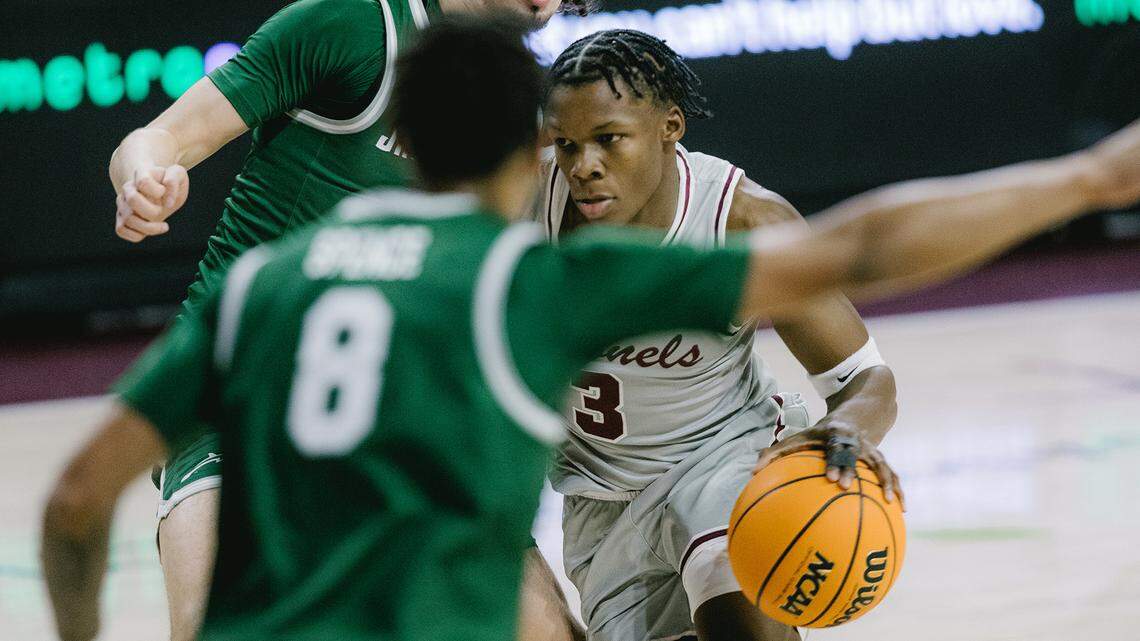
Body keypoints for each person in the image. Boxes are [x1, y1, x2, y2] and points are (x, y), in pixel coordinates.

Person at [48, 11, 1140, 641]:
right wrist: (1087, 174)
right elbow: (862, 245)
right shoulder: (515, 274)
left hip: (648, 469)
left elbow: (78, 496)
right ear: (521, 156)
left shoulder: (264, 299)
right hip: (470, 493)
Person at [106, 1, 586, 638]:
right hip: (243, 390)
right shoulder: (353, 22)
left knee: (547, 630)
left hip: (397, 404)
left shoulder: (514, 87)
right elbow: (159, 138)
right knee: (211, 624)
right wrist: (143, 178)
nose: (553, 2)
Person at [538, 30, 896, 640]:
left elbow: (865, 378)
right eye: (566, 144)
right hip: (599, 500)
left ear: (670, 126)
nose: (583, 166)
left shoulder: (744, 219)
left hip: (723, 460)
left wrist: (847, 430)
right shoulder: (519, 204)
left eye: (608, 139)